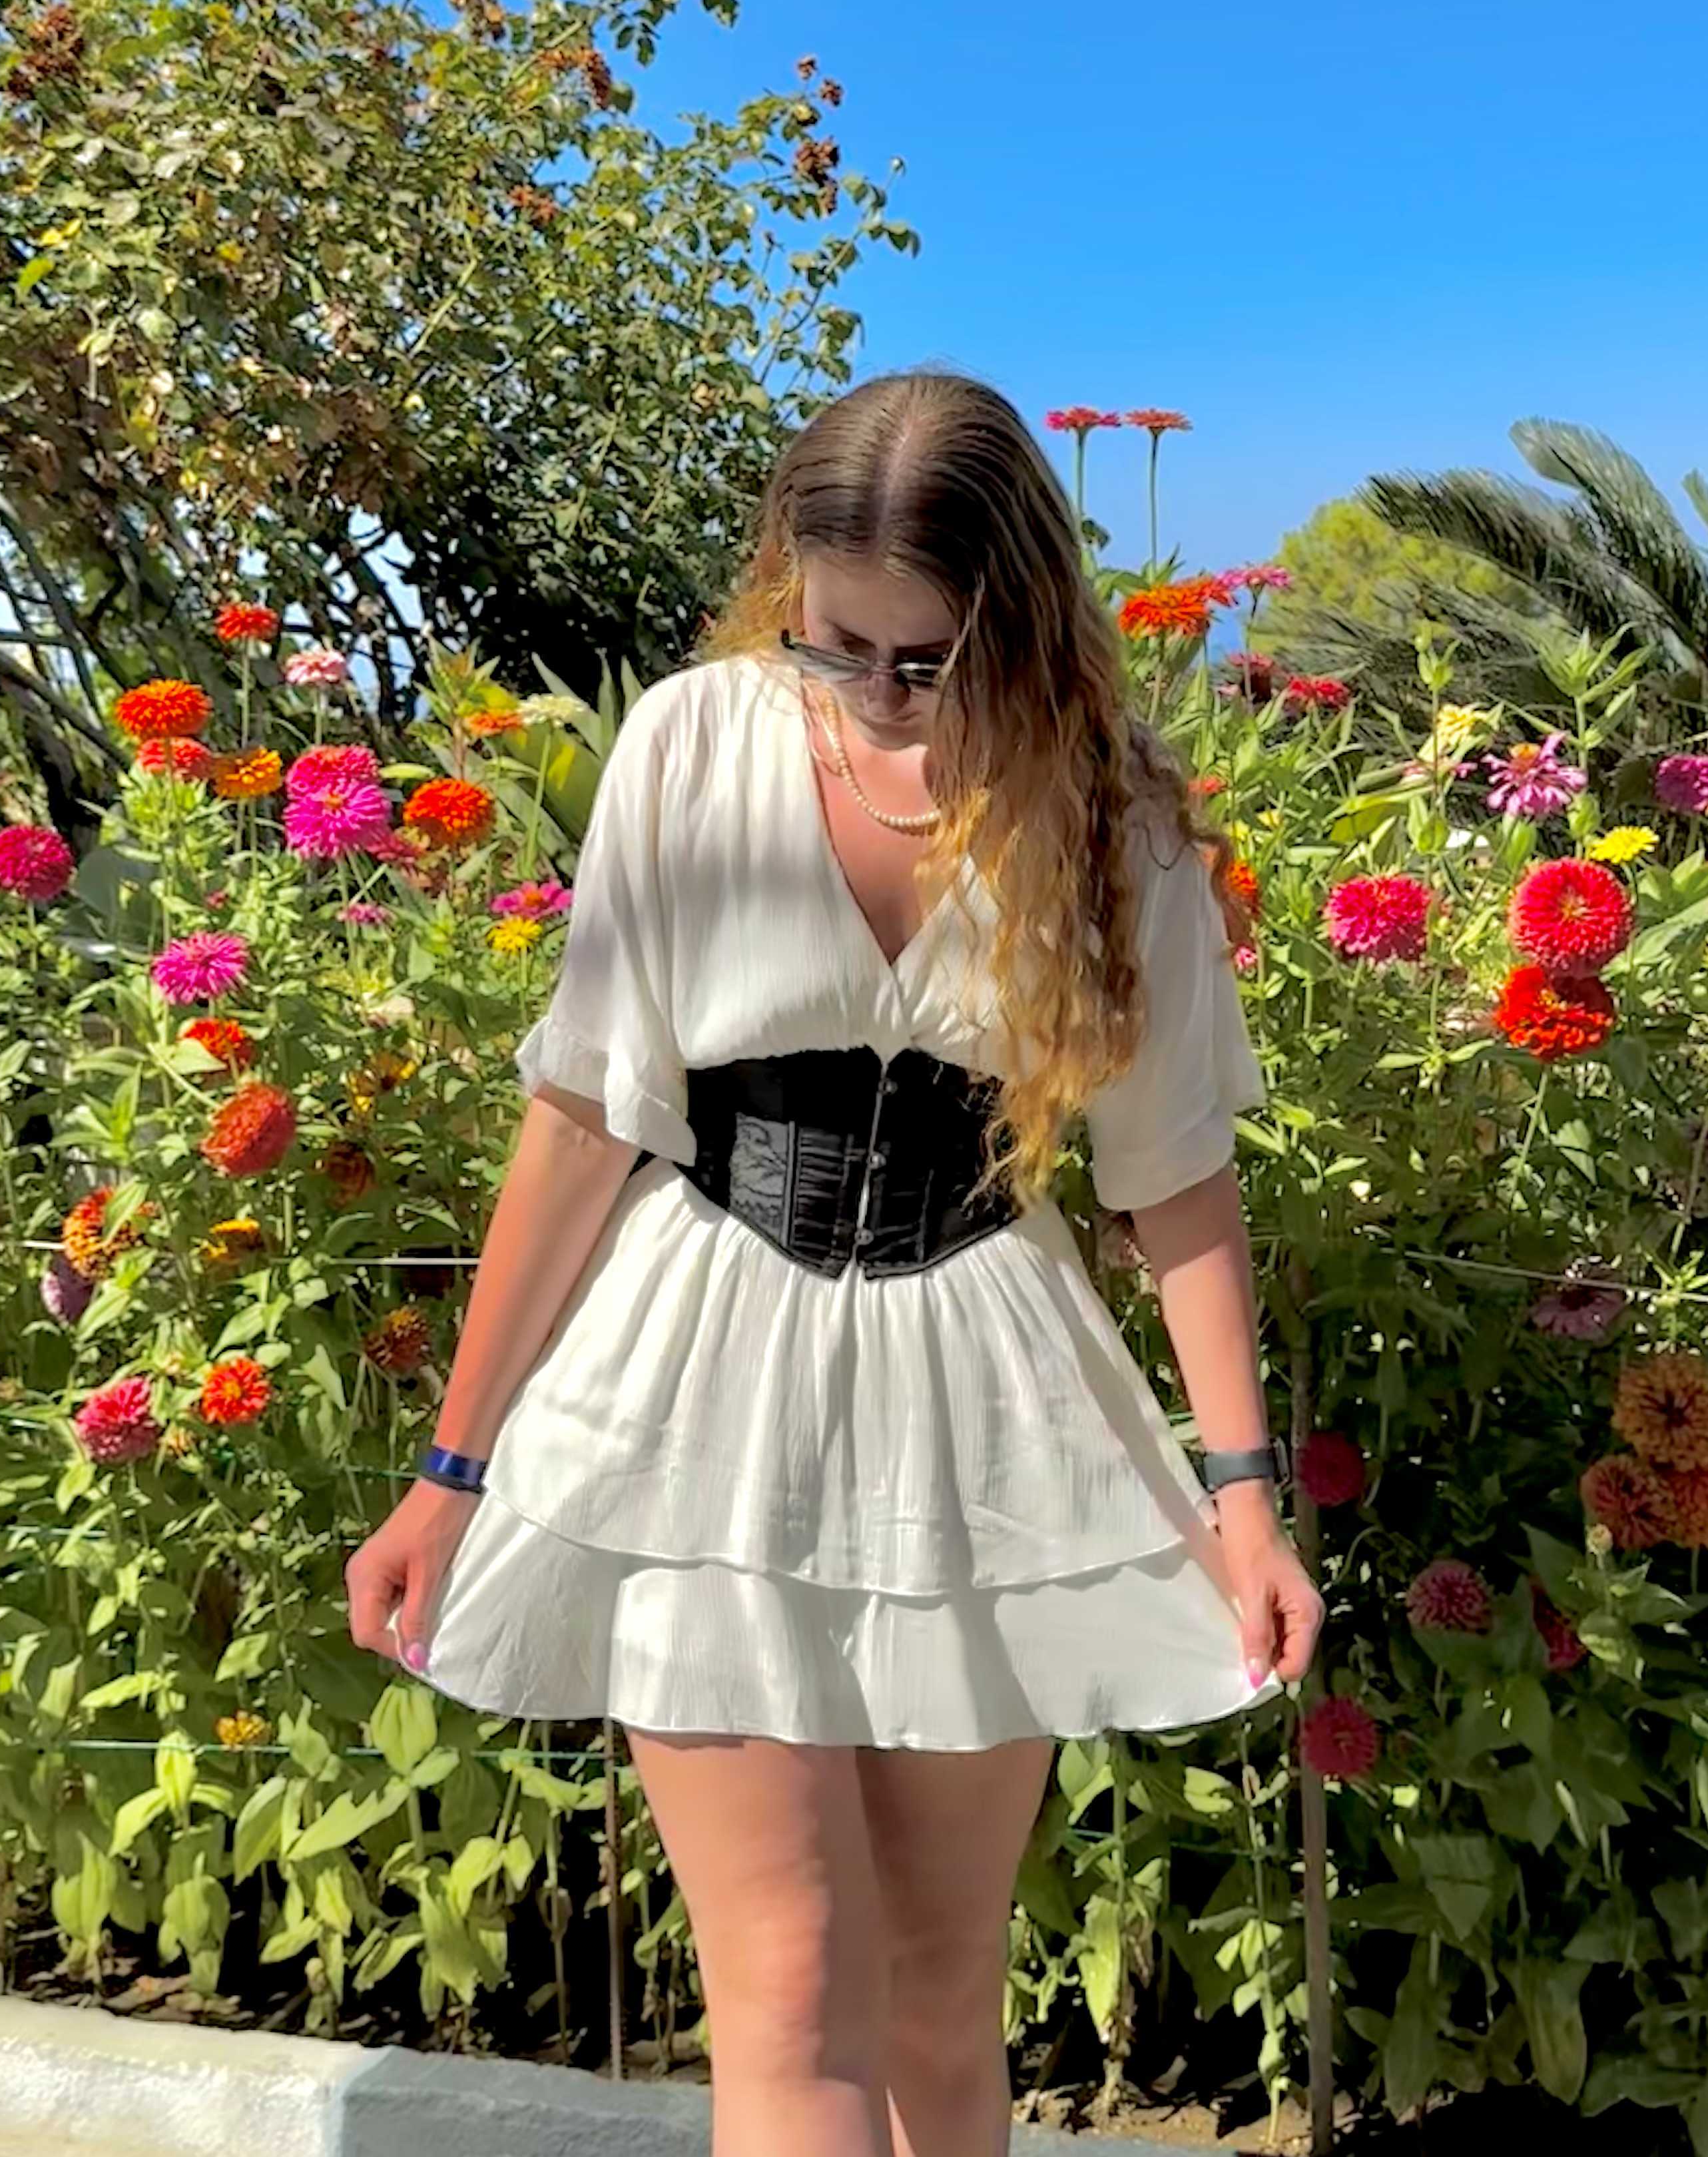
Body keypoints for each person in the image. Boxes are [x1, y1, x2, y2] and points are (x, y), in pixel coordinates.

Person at [344, 368, 1322, 2156]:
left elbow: (1172, 1170)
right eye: (836, 641)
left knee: (941, 2003)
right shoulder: (690, 747)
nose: (876, 690)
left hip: (981, 1398)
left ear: (1017, 619)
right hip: (699, 1383)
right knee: (791, 2000)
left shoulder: (1110, 814)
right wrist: (449, 1468)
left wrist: (1241, 1490)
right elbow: (583, 1116)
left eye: (926, 659)